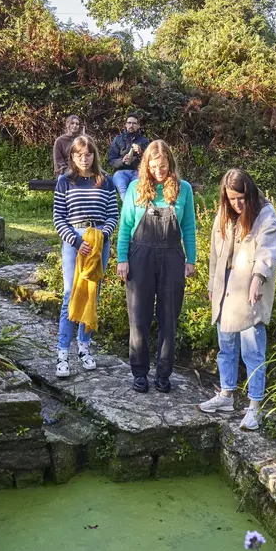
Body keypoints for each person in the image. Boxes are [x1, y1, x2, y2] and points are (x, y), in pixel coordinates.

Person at [198, 169, 276, 430]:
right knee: (226, 346)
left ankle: (255, 406)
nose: (237, 204)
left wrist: (258, 278)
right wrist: (212, 283)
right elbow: (215, 253)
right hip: (225, 291)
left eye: (241, 198)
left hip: (248, 292)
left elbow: (267, 251)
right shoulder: (224, 215)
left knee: (253, 350)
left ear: (250, 193)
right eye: (232, 199)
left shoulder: (265, 214)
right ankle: (226, 395)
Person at [116, 140, 197, 393]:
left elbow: (189, 228)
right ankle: (139, 372)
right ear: (146, 166)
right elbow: (126, 226)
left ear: (170, 164)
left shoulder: (183, 190)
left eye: (163, 166)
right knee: (138, 318)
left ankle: (163, 374)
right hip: (139, 255)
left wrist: (191, 259)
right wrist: (122, 259)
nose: (158, 171)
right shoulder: (135, 188)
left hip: (173, 257)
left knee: (168, 319)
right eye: (153, 167)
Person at [53, 136, 117, 378]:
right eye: (79, 154)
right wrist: (77, 241)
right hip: (74, 243)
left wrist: (101, 236)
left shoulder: (106, 181)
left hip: (99, 241)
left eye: (88, 154)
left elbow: (113, 214)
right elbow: (59, 218)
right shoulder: (64, 182)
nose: (84, 158)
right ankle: (62, 352)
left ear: (94, 155)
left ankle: (84, 347)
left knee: (92, 295)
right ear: (72, 156)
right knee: (71, 294)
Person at [106, 112, 149, 200]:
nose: (131, 125)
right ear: (125, 125)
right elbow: (111, 160)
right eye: (129, 123)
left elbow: (149, 160)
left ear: (138, 126)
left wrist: (141, 152)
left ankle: (133, 209)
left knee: (136, 191)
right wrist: (122, 160)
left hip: (137, 172)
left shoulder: (144, 141)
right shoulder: (118, 139)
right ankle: (128, 209)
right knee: (123, 190)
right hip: (120, 172)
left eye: (134, 123)